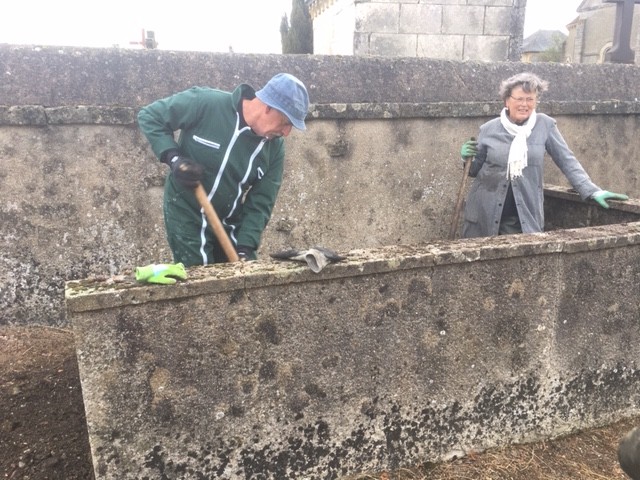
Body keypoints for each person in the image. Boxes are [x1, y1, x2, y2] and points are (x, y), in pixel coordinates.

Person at [137, 73, 309, 266]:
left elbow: (261, 202)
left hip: (229, 223)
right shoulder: (207, 103)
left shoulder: (274, 148)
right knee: (203, 285)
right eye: (286, 122)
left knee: (243, 282)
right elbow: (150, 116)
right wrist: (174, 158)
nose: (286, 133)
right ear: (268, 107)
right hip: (187, 215)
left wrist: (246, 246)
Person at [458, 72, 628, 238]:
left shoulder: (544, 125)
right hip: (484, 213)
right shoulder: (488, 129)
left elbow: (567, 161)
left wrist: (592, 191)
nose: (525, 104)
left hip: (523, 216)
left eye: (530, 99)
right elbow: (473, 170)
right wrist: (466, 157)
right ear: (507, 101)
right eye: (519, 99)